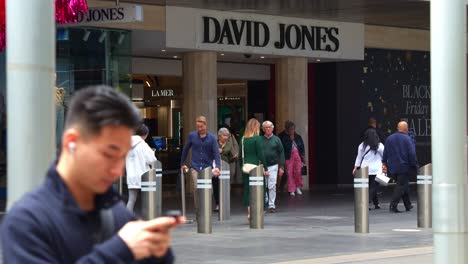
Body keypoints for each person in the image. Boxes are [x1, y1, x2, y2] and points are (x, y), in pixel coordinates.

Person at [1, 85, 184, 263]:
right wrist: (122, 248)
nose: (117, 170)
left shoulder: (115, 212)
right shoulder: (26, 221)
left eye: (122, 157)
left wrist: (157, 253)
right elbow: (121, 250)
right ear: (72, 142)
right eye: (108, 154)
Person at [180, 116, 221, 218]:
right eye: (198, 127)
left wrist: (218, 167)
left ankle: (206, 209)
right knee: (196, 187)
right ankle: (198, 210)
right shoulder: (192, 136)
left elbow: (216, 153)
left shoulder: (212, 138)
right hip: (195, 166)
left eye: (201, 127)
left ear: (205, 125)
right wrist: (182, 163)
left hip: (207, 167)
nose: (199, 129)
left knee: (208, 189)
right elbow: (185, 149)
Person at [382, 121, 418, 213]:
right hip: (404, 166)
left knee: (403, 184)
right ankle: (393, 206)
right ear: (406, 128)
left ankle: (408, 205)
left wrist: (384, 163)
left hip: (392, 167)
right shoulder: (407, 139)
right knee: (400, 186)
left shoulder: (389, 138)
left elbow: (385, 152)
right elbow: (412, 153)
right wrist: (414, 164)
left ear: (398, 128)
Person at [239, 118, 269, 221]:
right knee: (259, 189)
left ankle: (249, 212)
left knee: (248, 190)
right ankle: (257, 212)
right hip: (256, 167)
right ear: (256, 127)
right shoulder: (257, 138)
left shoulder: (243, 139)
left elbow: (240, 156)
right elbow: (261, 154)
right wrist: (266, 168)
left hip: (246, 168)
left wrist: (241, 168)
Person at [126, 124, 157, 213]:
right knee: (148, 200)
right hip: (144, 176)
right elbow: (152, 160)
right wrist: (153, 152)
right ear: (145, 134)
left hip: (131, 175)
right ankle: (148, 219)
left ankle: (126, 220)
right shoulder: (143, 145)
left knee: (131, 200)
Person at [353, 128, 385, 210]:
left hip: (365, 169)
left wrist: (355, 167)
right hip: (377, 169)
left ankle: (376, 204)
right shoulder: (379, 145)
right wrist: (385, 165)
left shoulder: (362, 145)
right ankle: (366, 203)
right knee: (373, 187)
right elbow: (384, 157)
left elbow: (359, 158)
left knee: (370, 187)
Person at [261, 121, 285, 213]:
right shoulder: (260, 139)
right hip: (262, 165)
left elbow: (281, 152)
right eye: (266, 127)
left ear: (272, 128)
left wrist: (282, 166)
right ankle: (265, 202)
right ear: (263, 129)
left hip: (273, 165)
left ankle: (272, 205)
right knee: (264, 186)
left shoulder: (276, 139)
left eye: (269, 127)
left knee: (272, 186)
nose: (267, 129)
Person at [281, 121, 306, 196]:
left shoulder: (298, 136)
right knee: (289, 173)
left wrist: (303, 156)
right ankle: (291, 189)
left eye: (293, 129)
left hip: (297, 155)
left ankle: (297, 187)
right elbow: (282, 148)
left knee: (298, 171)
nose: (292, 130)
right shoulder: (283, 136)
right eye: (290, 129)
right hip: (288, 156)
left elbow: (302, 147)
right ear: (287, 129)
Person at [215, 127, 235, 211]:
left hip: (226, 166)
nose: (226, 137)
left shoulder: (229, 144)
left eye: (227, 135)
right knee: (216, 186)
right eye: (224, 135)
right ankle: (217, 204)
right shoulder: (214, 143)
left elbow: (231, 158)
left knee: (225, 185)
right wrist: (216, 151)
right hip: (216, 167)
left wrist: (234, 157)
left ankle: (224, 203)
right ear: (219, 136)